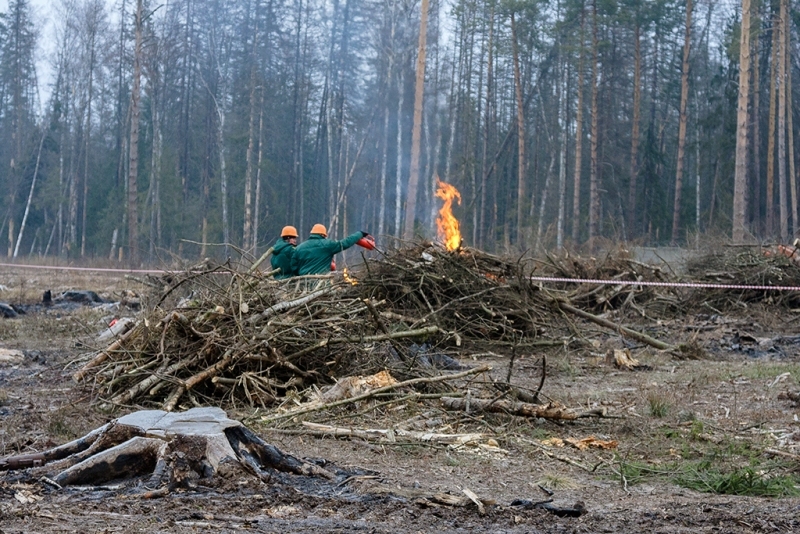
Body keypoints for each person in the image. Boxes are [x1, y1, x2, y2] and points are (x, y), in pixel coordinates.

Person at [291, 224, 370, 275]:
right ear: (323, 235)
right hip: (321, 285)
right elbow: (345, 243)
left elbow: (293, 267)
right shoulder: (327, 245)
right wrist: (360, 234)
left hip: (302, 285)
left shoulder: (299, 248)